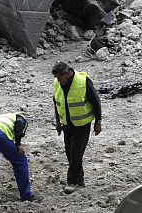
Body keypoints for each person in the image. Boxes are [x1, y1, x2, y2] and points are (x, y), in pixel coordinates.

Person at [52, 61, 102, 194]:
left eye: (59, 78)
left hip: (82, 124)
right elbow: (57, 102)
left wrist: (98, 122)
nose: (58, 81)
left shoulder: (83, 82)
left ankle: (72, 180)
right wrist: (58, 121)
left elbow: (96, 102)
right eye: (56, 78)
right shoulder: (58, 83)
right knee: (70, 152)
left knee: (76, 152)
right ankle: (79, 179)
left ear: (67, 74)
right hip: (67, 124)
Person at [0, 112, 40, 202]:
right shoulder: (20, 118)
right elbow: (20, 123)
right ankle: (26, 195)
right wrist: (18, 144)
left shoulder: (2, 119)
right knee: (20, 159)